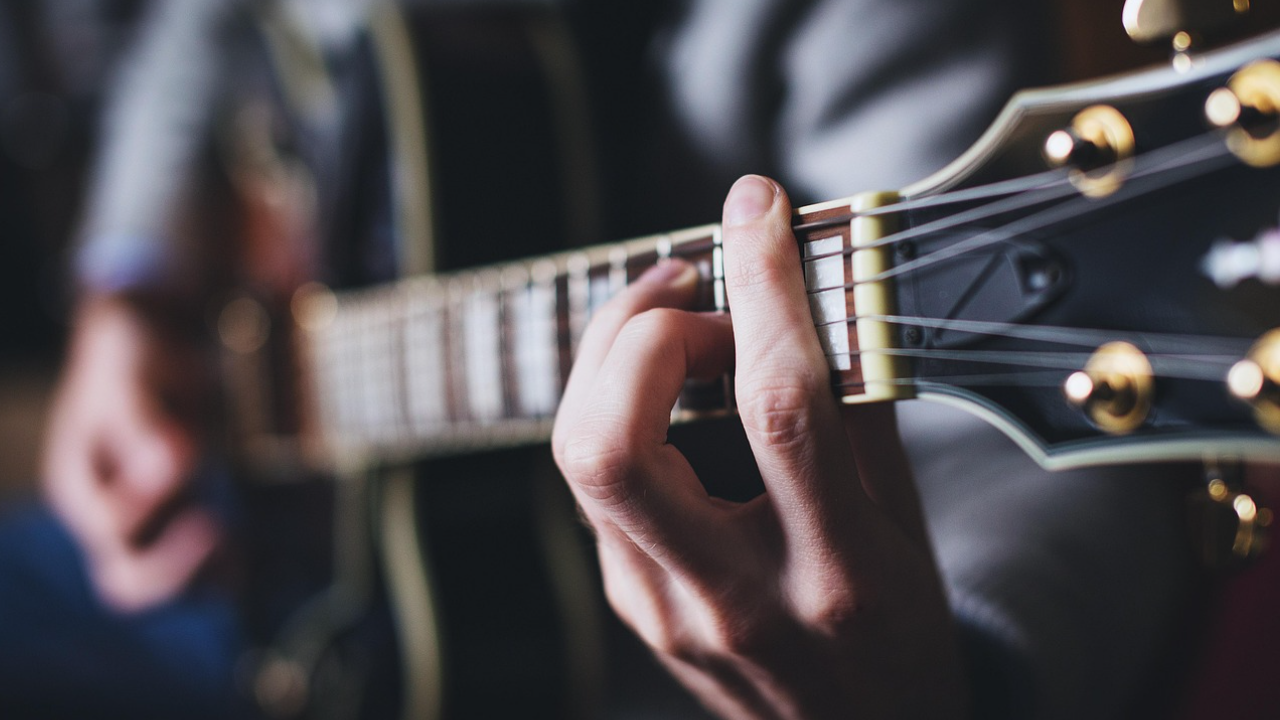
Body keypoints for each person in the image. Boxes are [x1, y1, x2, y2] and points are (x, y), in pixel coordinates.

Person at [2, 0, 1197, 717]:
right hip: (263, 549)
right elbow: (196, 27)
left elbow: (1048, 432)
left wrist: (958, 678)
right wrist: (129, 290)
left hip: (603, 666)